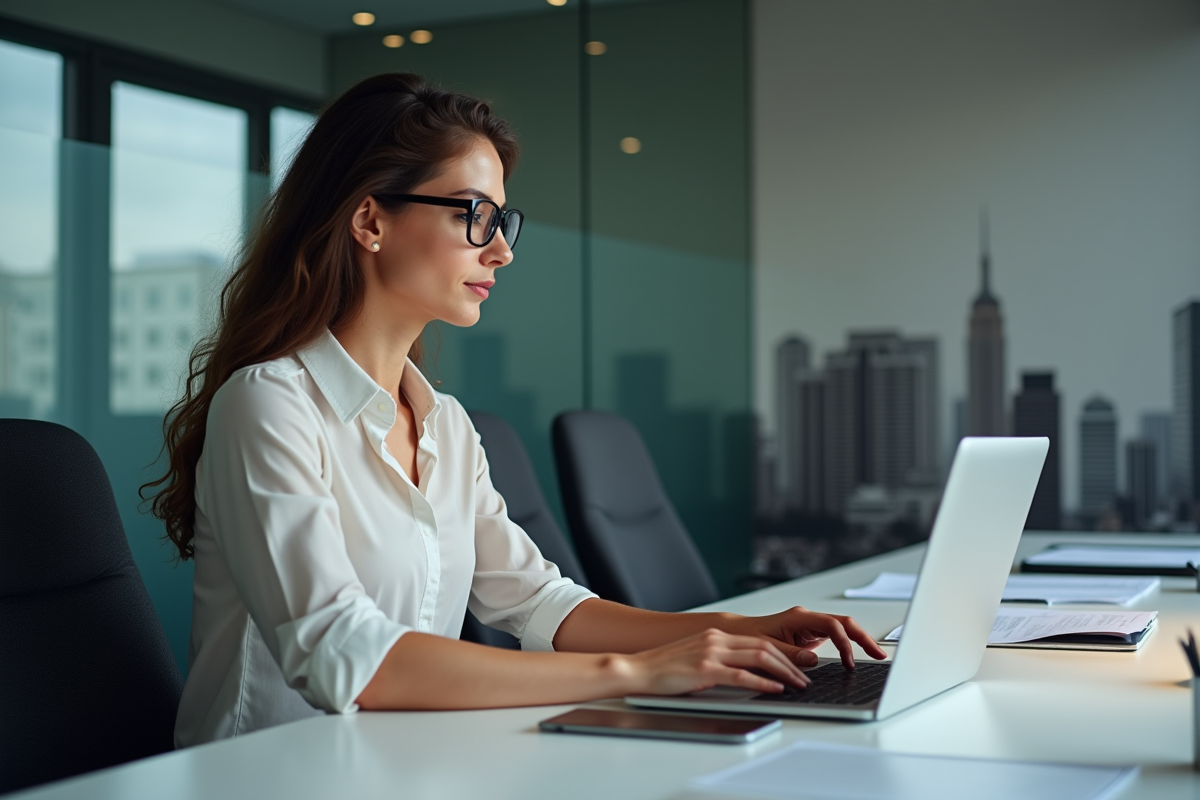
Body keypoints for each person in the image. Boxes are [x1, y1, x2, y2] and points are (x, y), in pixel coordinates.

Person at [147, 73, 886, 749]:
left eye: (503, 221)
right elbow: (347, 658)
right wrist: (641, 673)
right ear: (370, 221)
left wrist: (732, 630)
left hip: (401, 766)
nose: (500, 251)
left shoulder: (446, 426)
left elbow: (538, 603)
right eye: (474, 215)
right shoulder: (269, 406)